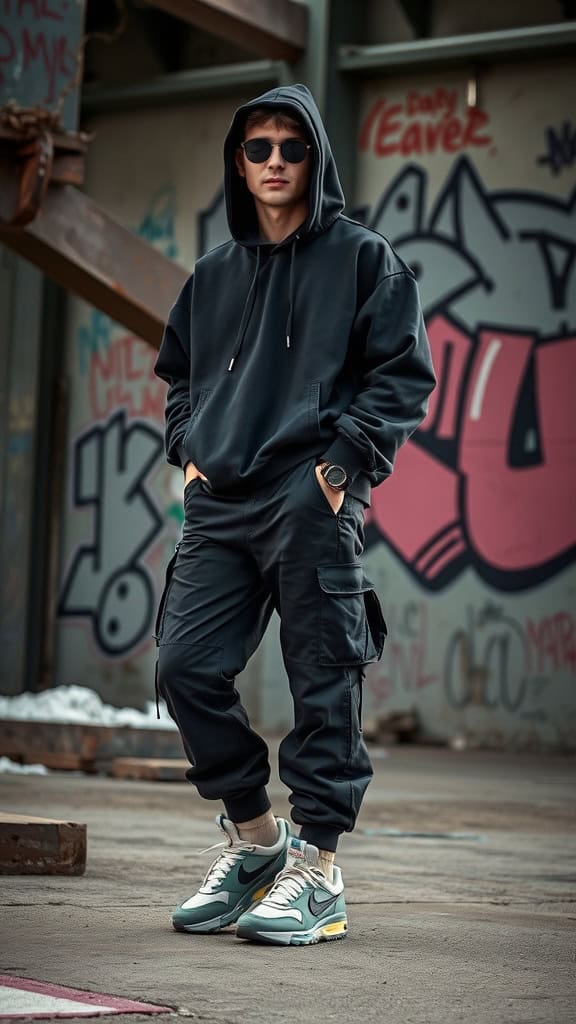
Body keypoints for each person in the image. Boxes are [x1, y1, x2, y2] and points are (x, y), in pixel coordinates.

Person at [154, 83, 435, 947]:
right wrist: (189, 455)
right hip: (223, 502)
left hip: (311, 501)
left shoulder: (362, 259)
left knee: (324, 683)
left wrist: (342, 470)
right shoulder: (211, 275)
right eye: (259, 149)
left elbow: (402, 376)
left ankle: (319, 868)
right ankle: (256, 842)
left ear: (317, 158)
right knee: (184, 667)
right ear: (239, 163)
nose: (275, 162)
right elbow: (179, 379)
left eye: (292, 147)